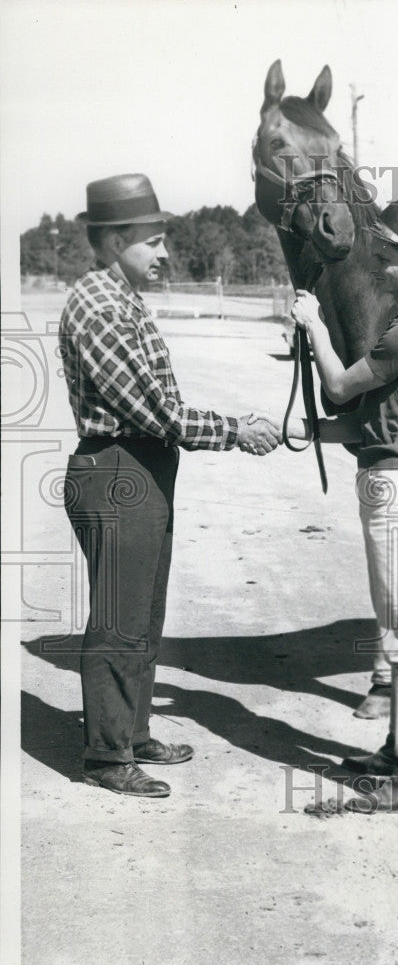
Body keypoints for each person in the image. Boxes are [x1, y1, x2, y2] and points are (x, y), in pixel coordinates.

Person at [59, 173, 282, 798]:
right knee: (118, 619)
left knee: (144, 612)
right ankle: (106, 756)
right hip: (117, 469)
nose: (165, 253)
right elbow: (157, 412)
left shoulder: (122, 297)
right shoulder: (99, 306)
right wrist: (238, 429)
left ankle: (132, 732)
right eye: (152, 241)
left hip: (144, 470)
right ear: (112, 241)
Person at [287, 200, 398, 812]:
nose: (379, 265)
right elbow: (374, 422)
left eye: (387, 256)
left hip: (396, 492)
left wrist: (312, 324)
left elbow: (339, 387)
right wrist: (305, 433)